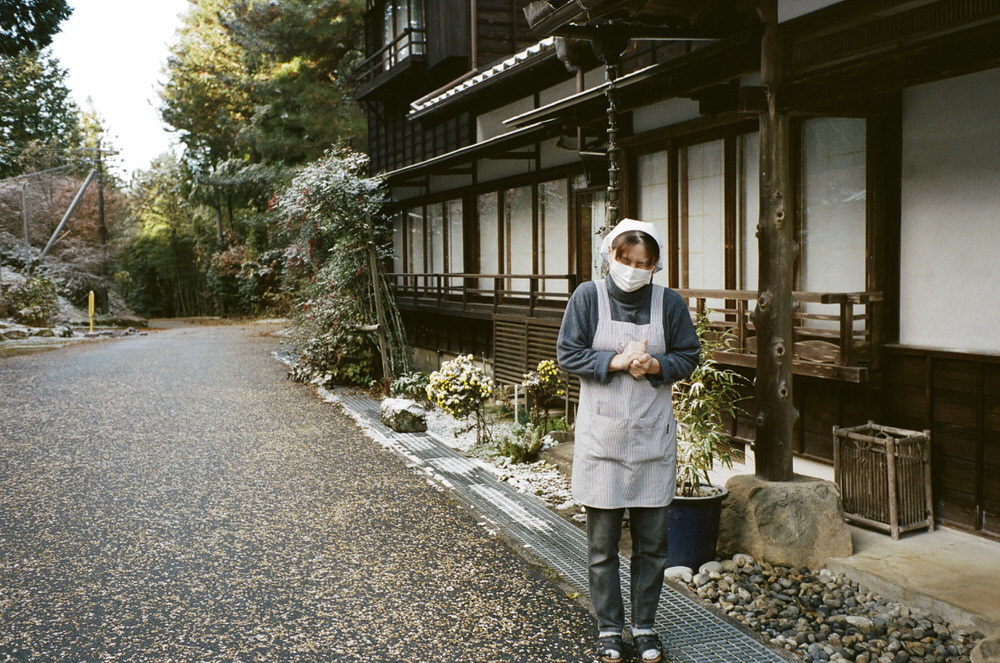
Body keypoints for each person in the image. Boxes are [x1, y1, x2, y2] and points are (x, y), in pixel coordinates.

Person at [557, 218, 700, 663]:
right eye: (627, 259)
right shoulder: (588, 296)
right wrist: (619, 361)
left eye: (645, 263)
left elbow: (688, 356)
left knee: (653, 545)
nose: (634, 269)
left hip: (650, 439)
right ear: (611, 256)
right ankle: (609, 628)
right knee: (602, 547)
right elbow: (568, 353)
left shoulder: (669, 303)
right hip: (603, 439)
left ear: (655, 266)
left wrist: (655, 366)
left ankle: (645, 626)